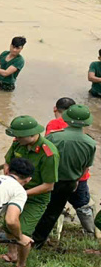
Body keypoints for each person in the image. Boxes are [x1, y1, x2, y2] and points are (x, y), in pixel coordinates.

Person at [0, 116, 58, 267]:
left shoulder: (49, 153)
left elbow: (48, 185)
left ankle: (21, 266)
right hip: (16, 191)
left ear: (32, 135)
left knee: (22, 230)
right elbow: (8, 161)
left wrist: (22, 194)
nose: (15, 138)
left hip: (36, 197)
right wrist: (7, 171)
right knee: (7, 224)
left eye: (19, 136)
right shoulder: (18, 144)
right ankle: (12, 254)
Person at [33, 104, 96, 247]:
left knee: (40, 208)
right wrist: (76, 181)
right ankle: (38, 241)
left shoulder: (54, 137)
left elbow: (42, 159)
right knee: (53, 213)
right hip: (69, 182)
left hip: (49, 180)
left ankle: (29, 238)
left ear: (66, 118)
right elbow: (85, 167)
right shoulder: (90, 142)